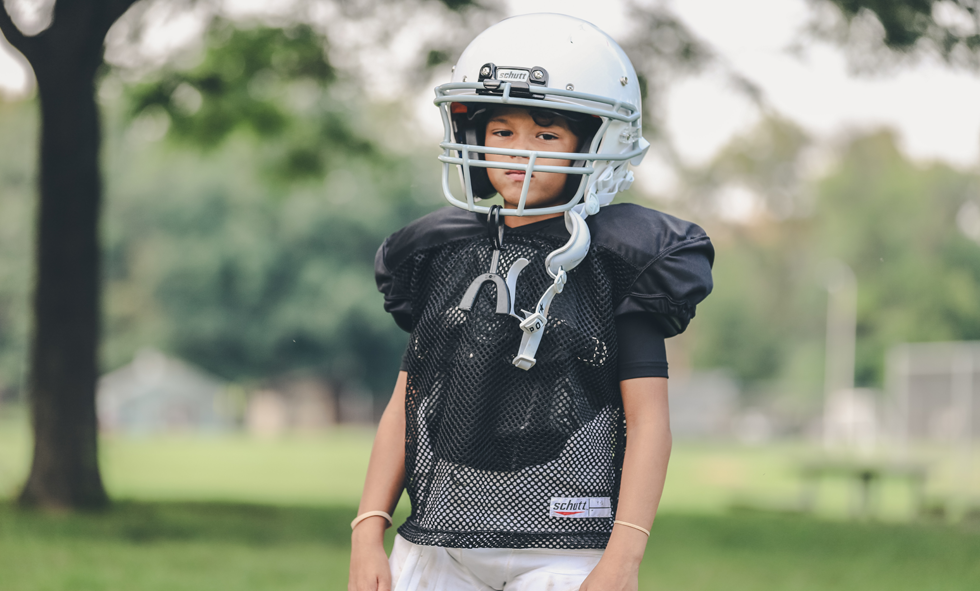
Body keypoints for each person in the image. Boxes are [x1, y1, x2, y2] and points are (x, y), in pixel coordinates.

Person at [349, 13, 713, 591]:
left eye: (547, 135)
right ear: (473, 135)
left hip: (567, 546)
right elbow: (407, 404)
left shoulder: (620, 258)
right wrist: (368, 530)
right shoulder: (443, 252)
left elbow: (648, 423)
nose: (522, 152)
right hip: (438, 542)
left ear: (596, 141)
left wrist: (624, 558)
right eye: (503, 132)